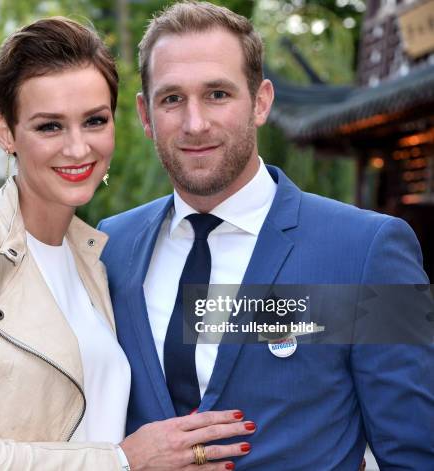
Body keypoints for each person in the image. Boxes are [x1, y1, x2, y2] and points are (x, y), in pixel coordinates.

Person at [0, 17, 255, 471]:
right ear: (6, 133)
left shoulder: (99, 256)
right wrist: (122, 461)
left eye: (94, 121)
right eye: (49, 127)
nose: (78, 149)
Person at [98, 2, 434, 470]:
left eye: (217, 93)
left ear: (261, 101)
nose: (195, 123)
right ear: (145, 113)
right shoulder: (110, 246)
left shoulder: (365, 250)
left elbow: (416, 453)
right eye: (172, 98)